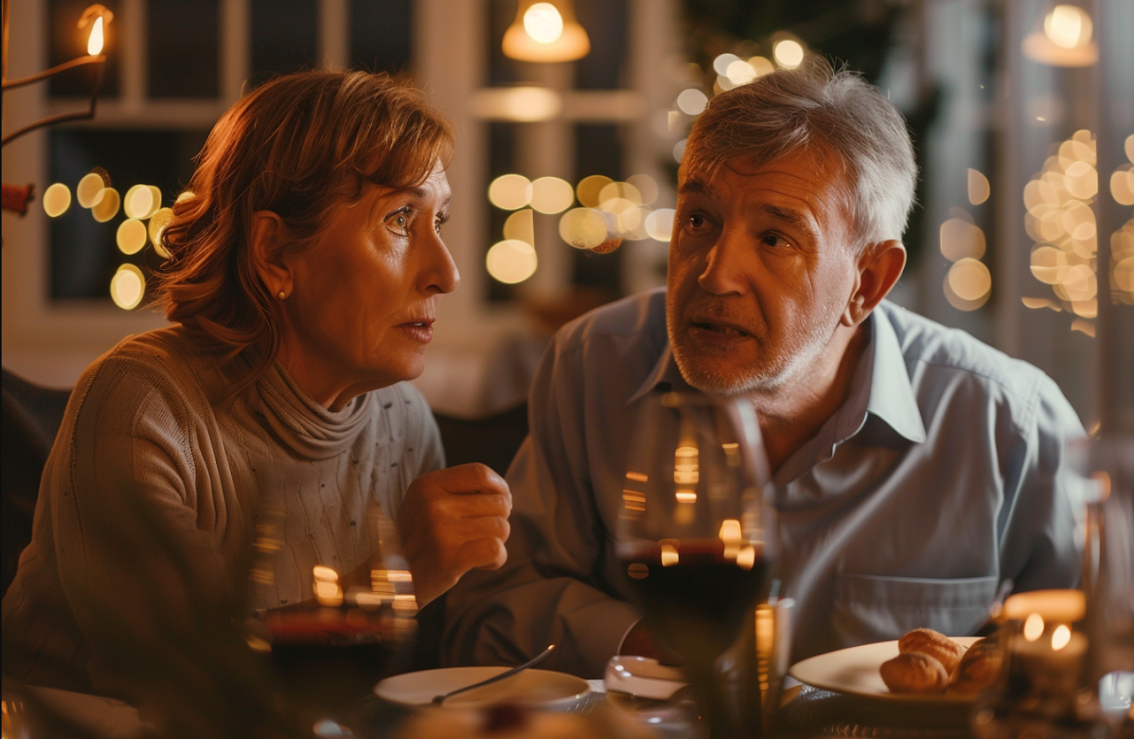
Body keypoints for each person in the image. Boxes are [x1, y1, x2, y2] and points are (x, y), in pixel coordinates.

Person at [442, 59, 1086, 678]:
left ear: (868, 281)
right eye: (699, 220)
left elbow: (1096, 651)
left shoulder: (1008, 423)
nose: (714, 273)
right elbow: (490, 611)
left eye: (775, 238)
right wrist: (643, 641)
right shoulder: (592, 366)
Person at [2, 70, 511, 698]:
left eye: (442, 221)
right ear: (273, 252)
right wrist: (391, 583)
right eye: (401, 219)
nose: (448, 274)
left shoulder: (403, 422)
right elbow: (193, 698)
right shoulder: (140, 405)